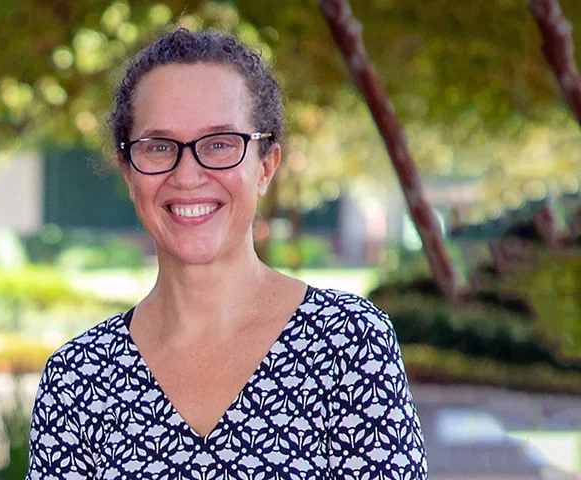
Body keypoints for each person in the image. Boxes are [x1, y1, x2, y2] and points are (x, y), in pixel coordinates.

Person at [26, 28, 427, 479]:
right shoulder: (78, 380)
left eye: (219, 144)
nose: (188, 175)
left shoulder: (347, 347)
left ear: (265, 166)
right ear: (128, 171)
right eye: (159, 147)